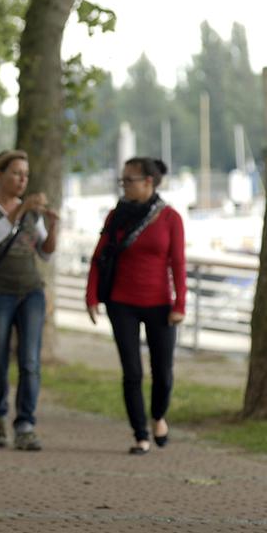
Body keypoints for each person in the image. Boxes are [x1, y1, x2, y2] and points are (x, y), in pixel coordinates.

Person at [85, 157, 185, 455]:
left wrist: (180, 303)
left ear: (148, 182)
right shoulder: (117, 216)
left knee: (163, 372)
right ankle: (140, 434)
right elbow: (99, 258)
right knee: (132, 372)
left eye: (130, 180)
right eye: (123, 180)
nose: (124, 185)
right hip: (122, 303)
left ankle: (158, 417)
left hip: (159, 304)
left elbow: (178, 263)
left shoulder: (170, 218)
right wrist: (91, 296)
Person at [0, 150, 59, 451]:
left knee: (30, 360)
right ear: (0, 175)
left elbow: (45, 252)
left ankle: (25, 423)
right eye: (16, 173)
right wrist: (19, 212)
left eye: (26, 175)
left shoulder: (31, 211)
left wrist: (54, 226)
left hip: (31, 290)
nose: (22, 180)